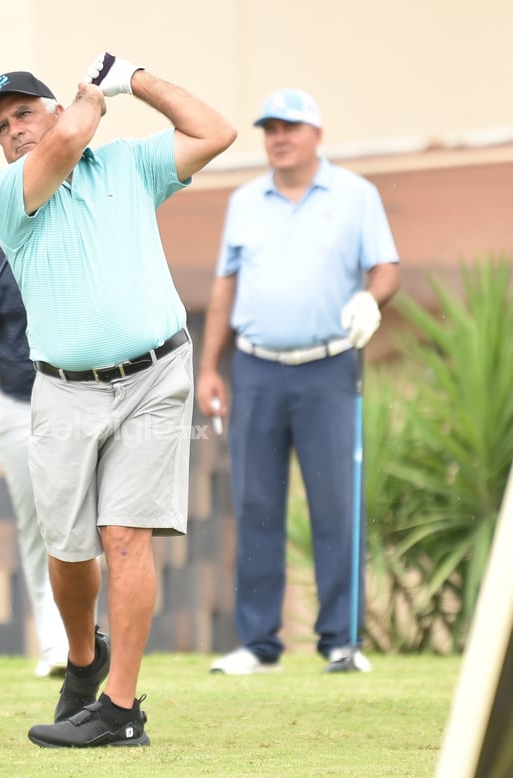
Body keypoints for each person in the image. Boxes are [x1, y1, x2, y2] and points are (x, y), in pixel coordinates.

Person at [0, 54, 236, 747]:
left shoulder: (126, 164)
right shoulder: (10, 193)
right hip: (64, 390)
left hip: (156, 377)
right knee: (69, 551)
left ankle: (121, 712)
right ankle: (83, 660)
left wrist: (134, 81)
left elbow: (215, 131)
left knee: (126, 537)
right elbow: (66, 144)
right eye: (2, 127)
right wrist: (86, 109)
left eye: (25, 113)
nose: (15, 133)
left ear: (53, 109)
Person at [197, 88, 400, 675]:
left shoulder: (356, 195)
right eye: (269, 129)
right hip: (256, 368)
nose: (278, 138)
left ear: (316, 133)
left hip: (330, 368)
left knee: (335, 502)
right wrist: (211, 366)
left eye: (289, 127)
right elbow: (225, 287)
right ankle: (259, 645)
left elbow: (386, 267)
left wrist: (369, 296)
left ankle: (340, 641)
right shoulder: (243, 201)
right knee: (256, 502)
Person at [0, 239, 69, 679]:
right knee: (39, 524)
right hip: (16, 409)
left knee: (85, 524)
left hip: (79, 400)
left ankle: (79, 641)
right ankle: (56, 644)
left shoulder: (81, 237)